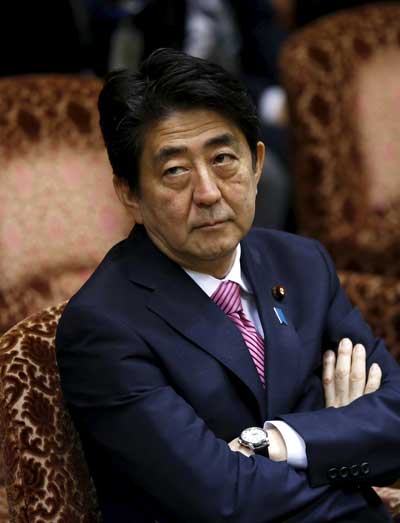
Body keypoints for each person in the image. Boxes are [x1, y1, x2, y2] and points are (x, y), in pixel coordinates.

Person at [55, 48, 400, 522]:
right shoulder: (104, 326)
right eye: (175, 171)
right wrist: (342, 443)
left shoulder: (301, 264)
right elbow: (224, 498)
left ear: (257, 163)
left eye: (223, 159)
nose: (209, 192)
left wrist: (279, 442)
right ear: (130, 193)